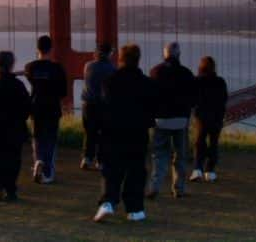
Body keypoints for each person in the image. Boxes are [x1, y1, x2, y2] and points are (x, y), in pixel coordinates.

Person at [93, 44, 157, 223]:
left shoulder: (109, 81)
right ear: (138, 60)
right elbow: (153, 109)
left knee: (111, 169)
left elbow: (102, 109)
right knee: (136, 170)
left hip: (113, 132)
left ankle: (108, 203)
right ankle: (135, 210)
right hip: (137, 132)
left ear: (120, 58)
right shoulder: (147, 83)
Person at [147, 42, 196, 199]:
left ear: (165, 55)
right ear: (178, 55)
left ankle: (155, 186)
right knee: (180, 156)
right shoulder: (187, 73)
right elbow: (193, 99)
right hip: (180, 120)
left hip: (160, 120)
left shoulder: (155, 72)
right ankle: (179, 189)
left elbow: (150, 97)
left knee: (159, 155)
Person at [0, 51, 31, 202]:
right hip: (14, 127)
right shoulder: (17, 85)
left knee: (0, 159)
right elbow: (27, 106)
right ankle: (11, 190)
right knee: (14, 159)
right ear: (12, 64)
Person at [24, 35, 67, 184]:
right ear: (51, 48)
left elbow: (31, 79)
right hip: (52, 107)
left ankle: (38, 161)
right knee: (51, 139)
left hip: (36, 106)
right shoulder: (57, 69)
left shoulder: (30, 67)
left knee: (37, 137)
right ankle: (47, 172)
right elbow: (63, 92)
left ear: (38, 49)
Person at [189, 56, 228, 183]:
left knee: (199, 142)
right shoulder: (221, 81)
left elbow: (192, 99)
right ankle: (210, 171)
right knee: (213, 143)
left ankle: (197, 170)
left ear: (201, 67)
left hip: (201, 117)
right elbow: (224, 98)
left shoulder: (197, 81)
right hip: (217, 117)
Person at [80, 42, 115, 170]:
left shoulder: (88, 66)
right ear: (109, 54)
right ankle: (100, 161)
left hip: (88, 105)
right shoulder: (112, 69)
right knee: (104, 134)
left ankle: (87, 159)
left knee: (89, 133)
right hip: (104, 106)